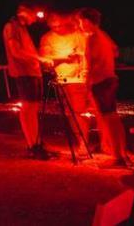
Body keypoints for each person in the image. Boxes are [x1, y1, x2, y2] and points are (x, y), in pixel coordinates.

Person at [78, 7, 128, 167]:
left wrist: (86, 84)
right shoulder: (104, 36)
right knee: (113, 117)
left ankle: (117, 157)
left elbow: (91, 64)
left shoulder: (92, 38)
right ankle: (122, 153)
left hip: (101, 81)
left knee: (108, 118)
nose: (80, 25)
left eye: (80, 22)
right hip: (111, 78)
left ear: (86, 21)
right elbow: (115, 51)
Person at [2, 4, 52, 159]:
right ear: (24, 11)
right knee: (28, 108)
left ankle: (36, 143)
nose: (35, 18)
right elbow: (15, 51)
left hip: (33, 73)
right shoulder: (11, 27)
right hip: (24, 73)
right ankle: (32, 145)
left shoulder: (21, 28)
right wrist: (38, 58)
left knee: (33, 108)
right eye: (33, 14)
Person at [39, 11, 92, 157]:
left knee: (80, 112)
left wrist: (84, 70)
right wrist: (64, 58)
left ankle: (85, 142)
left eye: (60, 25)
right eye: (54, 26)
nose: (57, 28)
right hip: (62, 79)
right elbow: (44, 60)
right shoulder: (47, 38)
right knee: (70, 114)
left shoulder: (77, 34)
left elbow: (87, 53)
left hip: (79, 79)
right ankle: (80, 141)